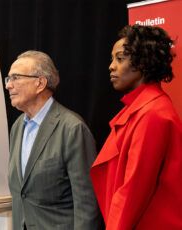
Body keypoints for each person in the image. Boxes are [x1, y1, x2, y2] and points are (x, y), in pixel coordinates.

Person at [91, 25, 182, 229]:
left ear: (142, 62)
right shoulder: (142, 110)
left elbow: (133, 190)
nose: (111, 66)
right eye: (112, 58)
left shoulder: (153, 113)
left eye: (120, 58)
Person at [6, 50, 102, 230]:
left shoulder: (72, 129)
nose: (8, 85)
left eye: (16, 77)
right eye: (8, 79)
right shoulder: (17, 127)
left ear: (40, 83)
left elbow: (87, 205)